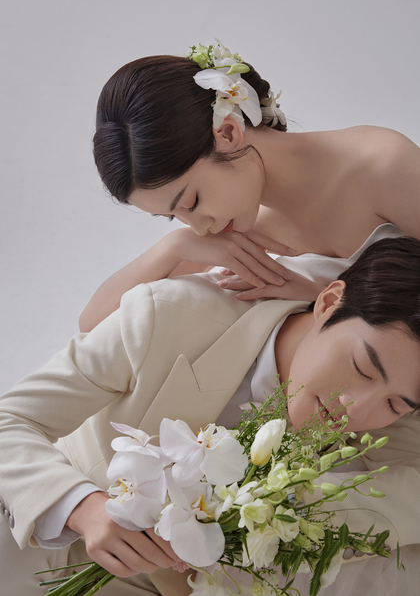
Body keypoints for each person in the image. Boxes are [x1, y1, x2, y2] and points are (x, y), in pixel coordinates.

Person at [1, 237, 420, 596]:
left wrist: (283, 502)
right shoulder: (171, 314)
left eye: (394, 404)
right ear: (328, 303)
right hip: (48, 529)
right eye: (362, 368)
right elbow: (11, 419)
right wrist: (83, 508)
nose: (354, 408)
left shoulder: (398, 408)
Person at [79, 41, 420, 332]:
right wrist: (174, 247)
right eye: (172, 216)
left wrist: (324, 298)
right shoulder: (239, 233)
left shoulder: (382, 165)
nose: (199, 228)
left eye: (192, 202)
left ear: (229, 132)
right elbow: (94, 326)